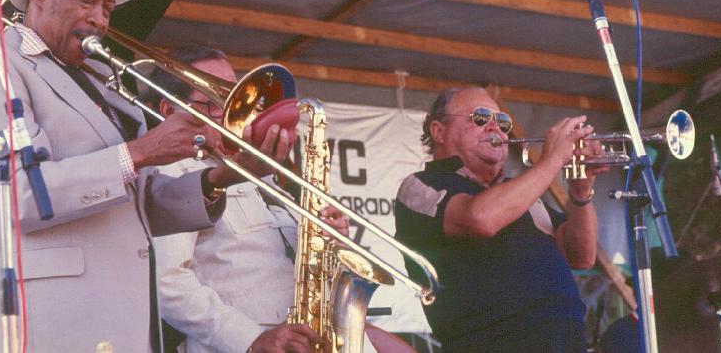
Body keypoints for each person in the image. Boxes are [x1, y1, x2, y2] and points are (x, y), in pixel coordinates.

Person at [0, 0, 246, 352]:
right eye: (88, 1)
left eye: (107, 7)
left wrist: (220, 177)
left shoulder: (103, 81)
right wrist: (139, 152)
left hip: (126, 329)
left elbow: (138, 203)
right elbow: (19, 195)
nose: (101, 19)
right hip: (55, 328)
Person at [151, 46, 372, 353]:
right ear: (168, 109)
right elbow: (167, 283)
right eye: (216, 100)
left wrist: (331, 240)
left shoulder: (262, 173)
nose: (234, 112)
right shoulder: (171, 173)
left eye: (238, 97)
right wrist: (251, 339)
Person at [394, 87, 608, 353]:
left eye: (503, 122)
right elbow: (481, 219)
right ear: (439, 131)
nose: (496, 128)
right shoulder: (421, 185)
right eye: (481, 118)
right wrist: (553, 159)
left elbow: (581, 256)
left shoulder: (522, 192)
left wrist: (581, 192)